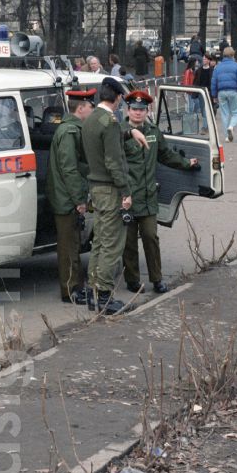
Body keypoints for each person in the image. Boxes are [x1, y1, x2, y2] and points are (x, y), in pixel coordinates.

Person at [121, 90, 199, 294]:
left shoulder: (153, 132)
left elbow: (166, 155)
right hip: (126, 197)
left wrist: (186, 163)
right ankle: (132, 280)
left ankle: (157, 279)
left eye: (142, 110)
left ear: (147, 111)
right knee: (128, 243)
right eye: (134, 109)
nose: (138, 113)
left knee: (151, 238)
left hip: (147, 198)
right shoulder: (118, 132)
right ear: (127, 110)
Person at [81, 78, 133, 315]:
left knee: (100, 241)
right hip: (111, 189)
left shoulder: (91, 119)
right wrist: (125, 191)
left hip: (96, 188)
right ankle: (104, 295)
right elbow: (114, 161)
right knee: (112, 243)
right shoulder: (110, 122)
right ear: (118, 98)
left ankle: (93, 290)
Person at [46, 88, 95, 305]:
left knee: (73, 242)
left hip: (66, 197)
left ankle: (76, 286)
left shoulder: (71, 129)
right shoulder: (69, 132)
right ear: (82, 108)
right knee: (68, 245)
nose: (92, 110)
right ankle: (70, 289)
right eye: (90, 107)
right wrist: (79, 200)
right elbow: (70, 169)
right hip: (66, 199)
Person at [211, 46, 237, 142]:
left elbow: (214, 81)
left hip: (221, 92)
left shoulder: (218, 67)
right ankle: (231, 126)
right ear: (233, 55)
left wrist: (214, 95)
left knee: (224, 114)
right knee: (236, 112)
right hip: (233, 91)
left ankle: (227, 137)